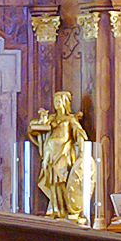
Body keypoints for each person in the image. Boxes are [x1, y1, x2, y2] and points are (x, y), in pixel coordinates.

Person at [28, 91, 91, 224]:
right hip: (50, 153)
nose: (56, 104)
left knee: (61, 180)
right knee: (52, 181)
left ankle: (66, 208)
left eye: (59, 101)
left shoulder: (70, 119)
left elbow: (79, 134)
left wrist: (82, 150)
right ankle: (56, 208)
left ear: (65, 103)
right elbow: (35, 128)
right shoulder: (51, 119)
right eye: (55, 101)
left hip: (63, 152)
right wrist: (43, 117)